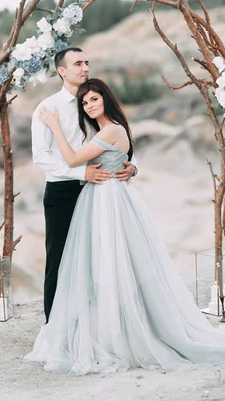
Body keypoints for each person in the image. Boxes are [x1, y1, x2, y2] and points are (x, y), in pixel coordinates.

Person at [25, 78, 225, 374]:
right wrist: (130, 166)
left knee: (115, 262)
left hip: (107, 199)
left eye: (94, 99)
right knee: (104, 264)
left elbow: (71, 158)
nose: (89, 105)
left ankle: (122, 332)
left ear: (105, 98)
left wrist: (54, 125)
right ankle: (107, 326)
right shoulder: (108, 129)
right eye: (85, 102)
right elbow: (124, 158)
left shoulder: (111, 129)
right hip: (101, 196)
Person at [31, 48, 137, 321]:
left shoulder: (93, 103)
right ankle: (54, 325)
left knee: (97, 258)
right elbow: (41, 156)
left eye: (87, 62)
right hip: (64, 192)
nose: (85, 67)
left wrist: (133, 167)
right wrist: (81, 174)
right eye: (78, 63)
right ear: (62, 71)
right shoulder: (47, 108)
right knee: (60, 259)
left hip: (101, 191)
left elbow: (116, 142)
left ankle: (92, 323)